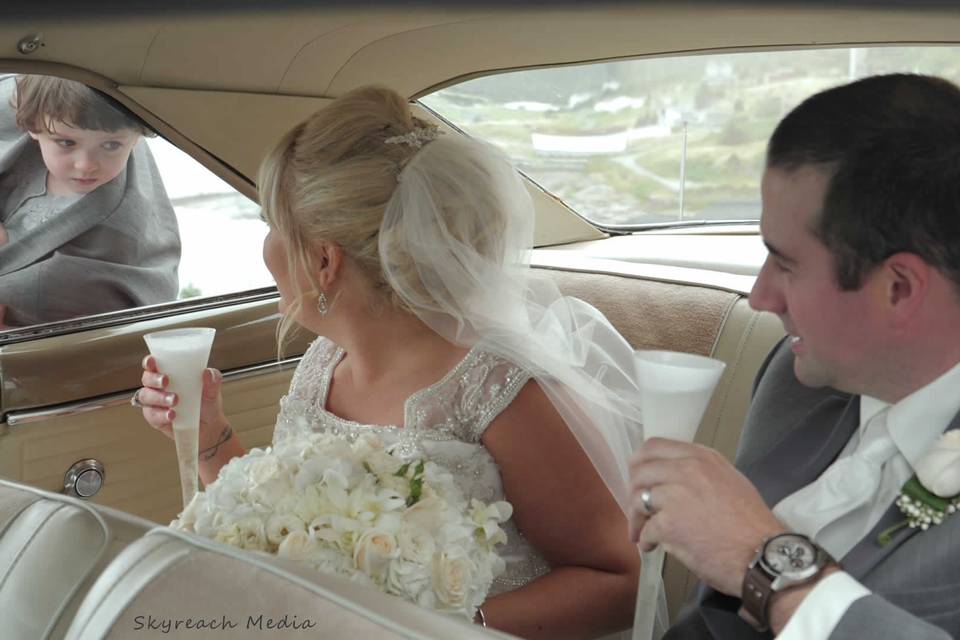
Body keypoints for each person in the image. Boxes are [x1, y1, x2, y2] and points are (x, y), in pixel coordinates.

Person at [135, 86, 647, 639]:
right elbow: (288, 523)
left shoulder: (501, 392)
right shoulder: (323, 364)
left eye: (273, 224)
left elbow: (618, 583)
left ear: (325, 260)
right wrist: (210, 435)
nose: (266, 246)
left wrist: (432, 628)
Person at [628, 73, 960, 639]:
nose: (760, 297)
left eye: (786, 265)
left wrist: (760, 560)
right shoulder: (794, 376)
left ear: (899, 289)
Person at [0, 74, 180, 328]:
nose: (86, 165)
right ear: (32, 125)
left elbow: (90, 300)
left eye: (111, 145)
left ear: (137, 137)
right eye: (66, 142)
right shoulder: (23, 102)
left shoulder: (120, 233)